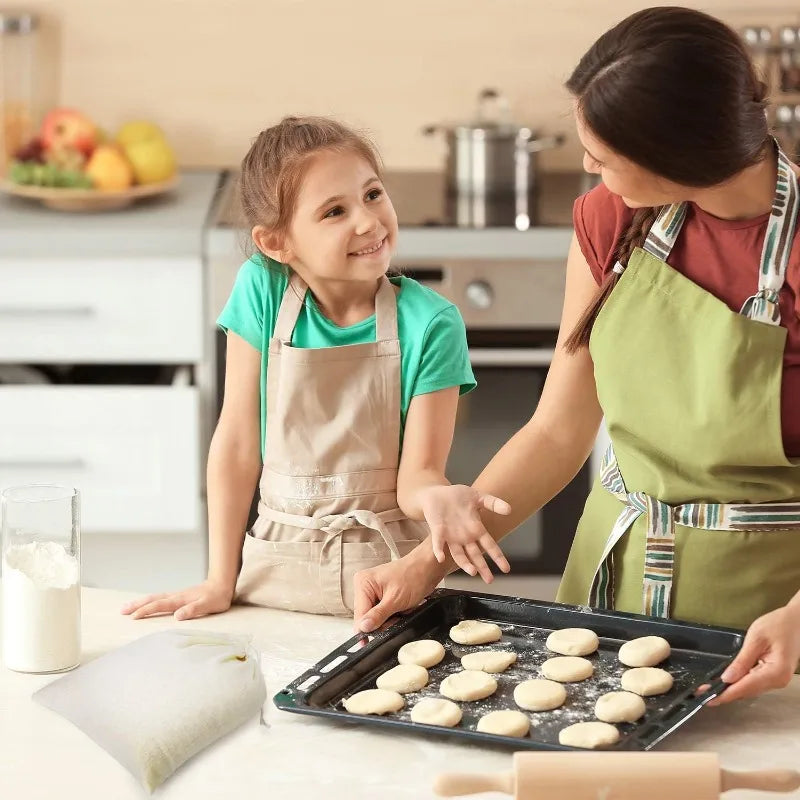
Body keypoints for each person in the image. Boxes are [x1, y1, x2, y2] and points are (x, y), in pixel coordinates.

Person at [352, 7, 800, 706]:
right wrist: (427, 563)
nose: (588, 166)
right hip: (609, 589)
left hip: (768, 622)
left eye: (605, 152)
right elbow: (558, 431)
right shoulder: (610, 219)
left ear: (676, 154)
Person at [121, 116, 511, 621]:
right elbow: (238, 442)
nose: (368, 221)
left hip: (384, 596)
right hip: (267, 585)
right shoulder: (262, 289)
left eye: (372, 194)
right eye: (334, 211)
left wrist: (438, 498)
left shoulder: (432, 323)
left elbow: (418, 476)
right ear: (277, 244)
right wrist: (220, 578)